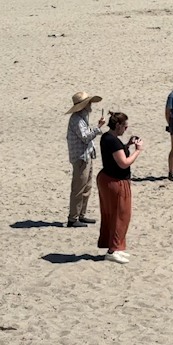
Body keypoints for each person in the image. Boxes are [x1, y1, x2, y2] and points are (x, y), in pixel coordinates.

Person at [97, 112, 143, 264]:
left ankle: (115, 248)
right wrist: (137, 150)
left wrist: (127, 145)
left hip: (107, 179)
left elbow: (115, 154)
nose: (125, 130)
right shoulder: (113, 142)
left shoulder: (107, 137)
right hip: (116, 182)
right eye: (125, 127)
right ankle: (112, 250)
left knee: (114, 215)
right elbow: (123, 163)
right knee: (120, 216)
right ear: (118, 125)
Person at [65, 91, 106, 228]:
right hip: (80, 158)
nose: (90, 106)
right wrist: (98, 128)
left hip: (86, 156)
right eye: (88, 103)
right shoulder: (76, 120)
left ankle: (81, 215)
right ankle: (73, 218)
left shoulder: (82, 117)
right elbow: (85, 137)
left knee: (87, 187)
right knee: (78, 188)